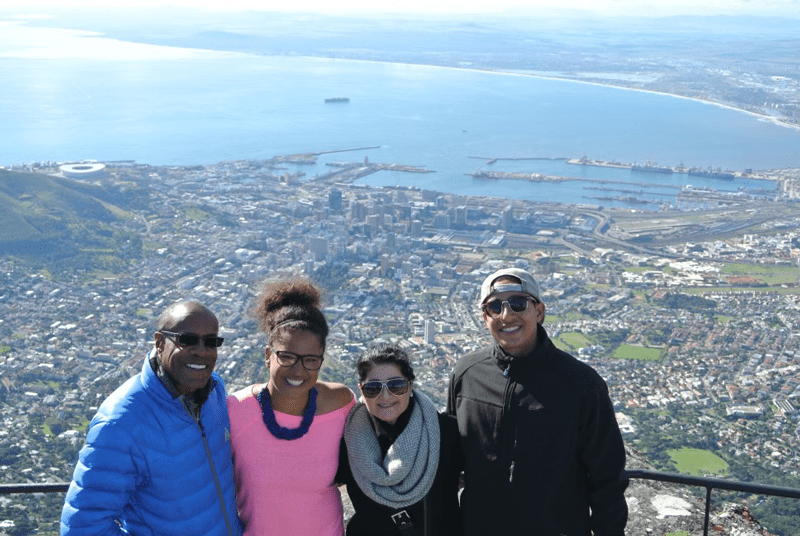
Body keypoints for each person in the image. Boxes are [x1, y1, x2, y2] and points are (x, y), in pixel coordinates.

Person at [447, 267, 628, 536]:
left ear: (539, 312)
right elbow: (450, 461)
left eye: (518, 304)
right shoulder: (467, 375)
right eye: (494, 307)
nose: (506, 315)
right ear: (485, 317)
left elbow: (608, 478)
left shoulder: (581, 384)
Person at [60, 301, 242, 536]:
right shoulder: (122, 423)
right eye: (186, 340)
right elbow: (82, 528)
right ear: (159, 342)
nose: (201, 350)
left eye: (211, 342)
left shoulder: (214, 391)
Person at [227, 277, 355, 536]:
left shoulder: (341, 403)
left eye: (310, 360)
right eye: (286, 356)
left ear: (320, 362)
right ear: (267, 355)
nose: (298, 370)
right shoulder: (234, 411)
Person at [339, 344, 463, 536]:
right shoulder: (347, 440)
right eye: (373, 388)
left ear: (410, 386)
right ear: (361, 390)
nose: (385, 396)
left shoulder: (446, 431)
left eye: (396, 386)